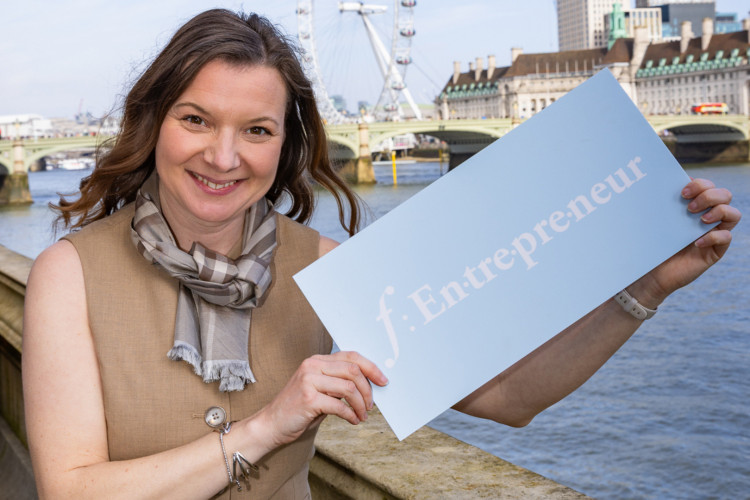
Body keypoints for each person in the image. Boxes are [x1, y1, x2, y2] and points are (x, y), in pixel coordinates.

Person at [22, 8, 740, 500]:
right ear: (155, 122)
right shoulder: (74, 275)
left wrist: (646, 288)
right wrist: (271, 423)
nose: (223, 156)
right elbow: (71, 488)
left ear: (288, 143)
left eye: (258, 130)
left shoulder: (328, 269)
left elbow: (506, 398)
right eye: (196, 120)